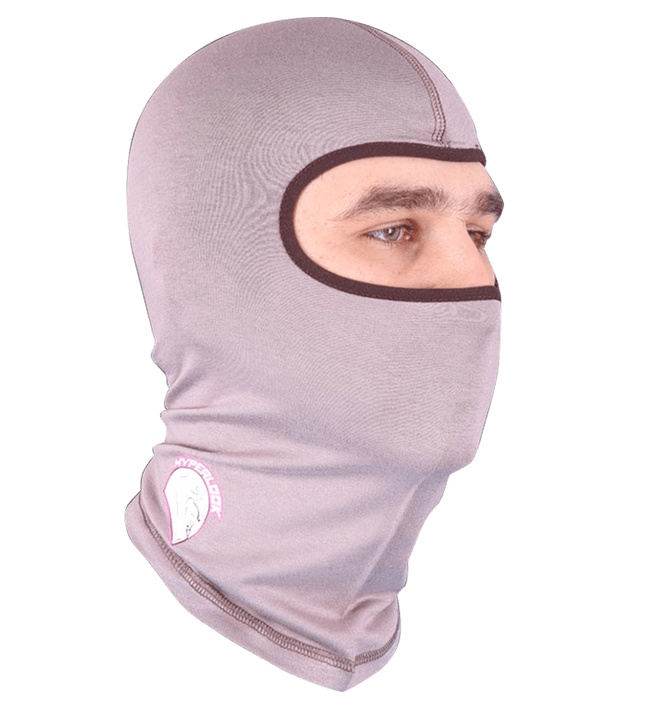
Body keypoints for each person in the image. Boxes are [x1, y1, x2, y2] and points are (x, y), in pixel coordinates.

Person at [124, 16, 503, 691]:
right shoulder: (67, 656)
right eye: (392, 229)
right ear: (209, 272)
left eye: (477, 233)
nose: (474, 280)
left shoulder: (492, 656)